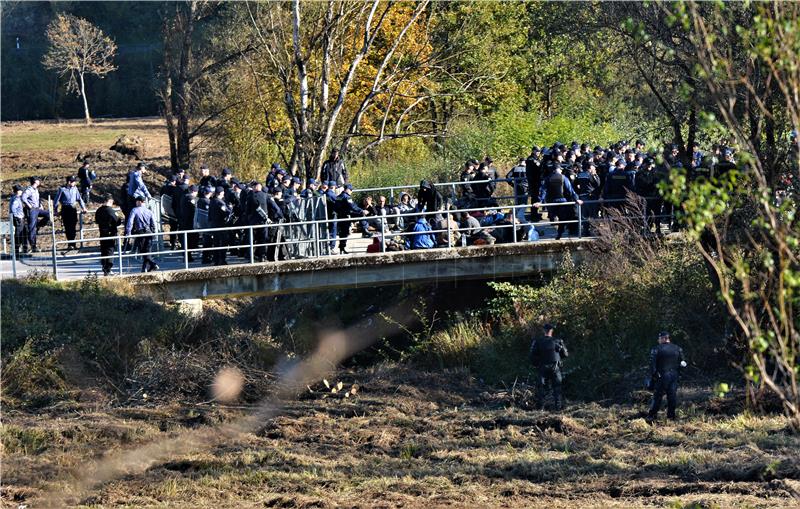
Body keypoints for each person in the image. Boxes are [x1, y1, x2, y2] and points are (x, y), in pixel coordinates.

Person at [647, 331, 686, 421]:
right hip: (674, 375)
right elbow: (683, 363)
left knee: (657, 396)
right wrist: (679, 374)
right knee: (672, 396)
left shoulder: (656, 349)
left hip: (662, 375)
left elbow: (652, 365)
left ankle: (652, 415)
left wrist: (654, 376)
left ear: (664, 338)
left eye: (659, 338)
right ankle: (671, 417)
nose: (658, 340)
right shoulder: (678, 348)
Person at [529, 323, 569, 410]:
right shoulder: (558, 341)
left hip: (543, 367)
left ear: (544, 331)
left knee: (541, 388)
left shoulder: (537, 341)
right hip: (555, 367)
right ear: (552, 331)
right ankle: (558, 409)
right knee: (557, 388)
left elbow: (532, 356)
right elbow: (565, 354)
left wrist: (536, 365)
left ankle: (541, 409)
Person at [537, 165, 582, 240]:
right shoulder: (563, 178)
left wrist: (539, 201)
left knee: (554, 216)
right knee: (563, 218)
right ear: (559, 170)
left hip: (551, 202)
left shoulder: (548, 178)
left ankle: (555, 222)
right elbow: (570, 190)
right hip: (562, 201)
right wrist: (576, 199)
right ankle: (560, 232)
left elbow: (543, 191)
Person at [125, 195, 158, 273]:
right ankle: (144, 269)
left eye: (136, 201)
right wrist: (154, 232)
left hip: (140, 232)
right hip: (149, 232)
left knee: (143, 251)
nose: (135, 203)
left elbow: (130, 222)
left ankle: (153, 264)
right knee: (147, 251)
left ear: (139, 202)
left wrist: (128, 232)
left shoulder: (134, 210)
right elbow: (153, 223)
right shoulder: (149, 211)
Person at [54, 176, 87, 253]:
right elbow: (56, 200)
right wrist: (55, 210)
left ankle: (73, 243)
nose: (75, 183)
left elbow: (79, 199)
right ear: (69, 182)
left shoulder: (75, 189)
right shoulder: (62, 189)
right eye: (73, 181)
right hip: (65, 209)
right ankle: (70, 244)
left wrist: (83, 208)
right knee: (68, 227)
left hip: (73, 209)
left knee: (73, 226)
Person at [334, 183, 367, 254]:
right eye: (351, 190)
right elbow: (352, 206)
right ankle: (365, 229)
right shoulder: (347, 197)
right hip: (345, 216)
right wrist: (361, 211)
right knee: (345, 232)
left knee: (342, 233)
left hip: (340, 216)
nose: (351, 191)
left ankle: (342, 248)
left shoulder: (339, 196)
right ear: (348, 189)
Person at [95, 194, 123, 276]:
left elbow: (97, 221)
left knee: (103, 251)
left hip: (102, 233)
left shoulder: (98, 210)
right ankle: (108, 269)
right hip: (111, 234)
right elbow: (118, 221)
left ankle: (104, 268)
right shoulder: (111, 211)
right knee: (110, 251)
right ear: (110, 201)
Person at [21, 176, 50, 253]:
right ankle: (33, 246)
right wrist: (29, 205)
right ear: (35, 181)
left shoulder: (36, 190)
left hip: (37, 209)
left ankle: (39, 224)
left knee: (49, 214)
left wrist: (40, 205)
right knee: (32, 229)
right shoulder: (29, 190)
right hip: (32, 210)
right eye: (38, 180)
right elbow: (23, 198)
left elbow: (37, 199)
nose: (39, 181)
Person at [208, 186, 231, 266]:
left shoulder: (212, 201)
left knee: (216, 243)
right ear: (221, 193)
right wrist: (230, 208)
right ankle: (222, 260)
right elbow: (227, 212)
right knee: (223, 242)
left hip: (214, 225)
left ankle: (216, 259)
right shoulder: (220, 202)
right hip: (221, 225)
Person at [179, 185, 199, 262]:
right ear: (194, 191)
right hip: (189, 222)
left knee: (187, 239)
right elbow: (194, 207)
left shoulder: (183, 197)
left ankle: (187, 256)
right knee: (189, 239)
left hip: (184, 221)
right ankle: (187, 256)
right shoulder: (190, 198)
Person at [507, 158, 529, 224]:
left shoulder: (515, 168)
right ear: (525, 162)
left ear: (519, 162)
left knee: (517, 203)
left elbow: (508, 177)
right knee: (524, 203)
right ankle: (521, 218)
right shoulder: (527, 168)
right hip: (526, 187)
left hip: (517, 187)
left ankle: (517, 218)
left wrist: (512, 184)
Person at [9, 184, 26, 256]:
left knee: (19, 234)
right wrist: (17, 217)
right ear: (17, 191)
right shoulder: (16, 198)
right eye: (20, 190)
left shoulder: (14, 197)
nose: (22, 191)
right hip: (18, 218)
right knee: (18, 235)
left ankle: (18, 250)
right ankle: (17, 251)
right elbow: (13, 208)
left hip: (17, 218)